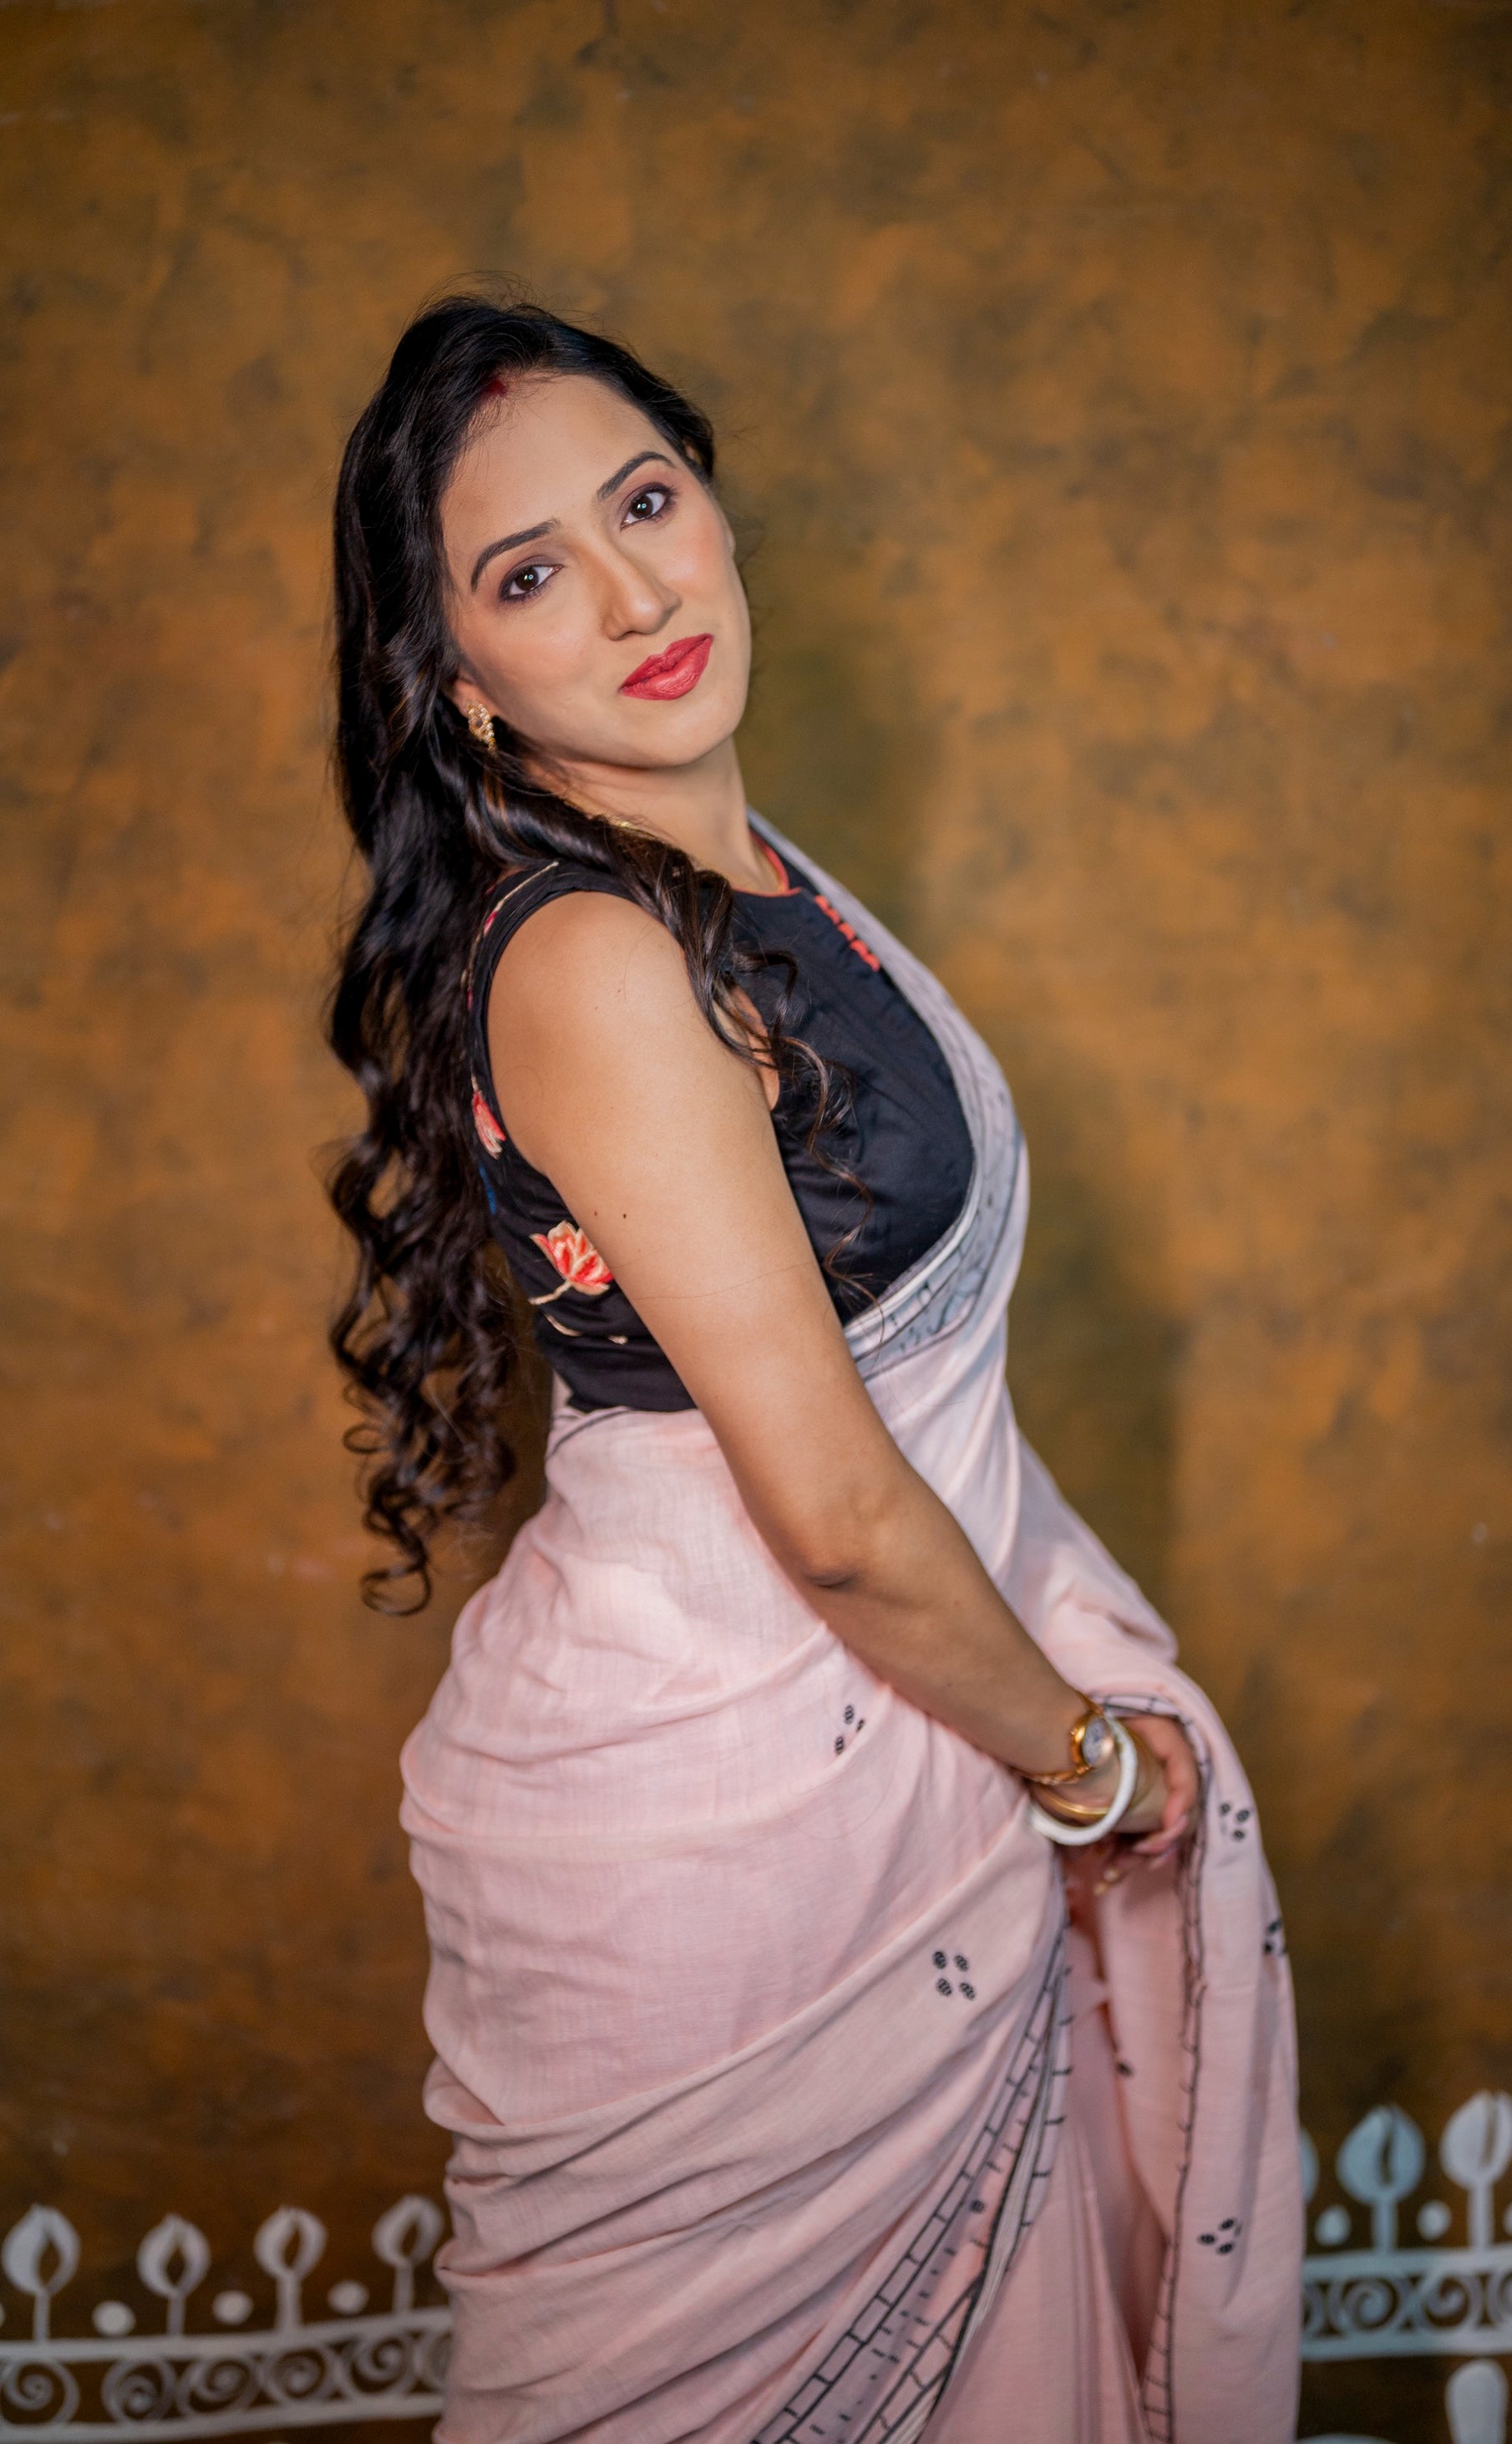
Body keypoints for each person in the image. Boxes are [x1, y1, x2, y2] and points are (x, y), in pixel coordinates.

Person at [326, 294, 1301, 2444]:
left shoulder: (755, 884)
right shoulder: (586, 956)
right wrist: (1095, 1772)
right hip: (730, 1852)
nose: (633, 591)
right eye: (527, 574)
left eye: (646, 501)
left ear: (719, 506)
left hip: (879, 1787)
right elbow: (843, 1519)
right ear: (456, 684)